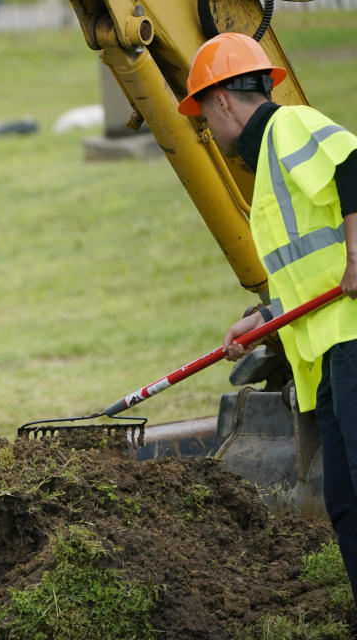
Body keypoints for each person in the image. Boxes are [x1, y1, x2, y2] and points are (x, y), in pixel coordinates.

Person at [179, 33, 357, 600]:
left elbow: (355, 165)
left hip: (351, 339)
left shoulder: (291, 127)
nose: (209, 129)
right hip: (322, 355)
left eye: (204, 115)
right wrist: (262, 317)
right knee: (345, 501)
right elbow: (305, 267)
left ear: (224, 100)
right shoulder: (268, 172)